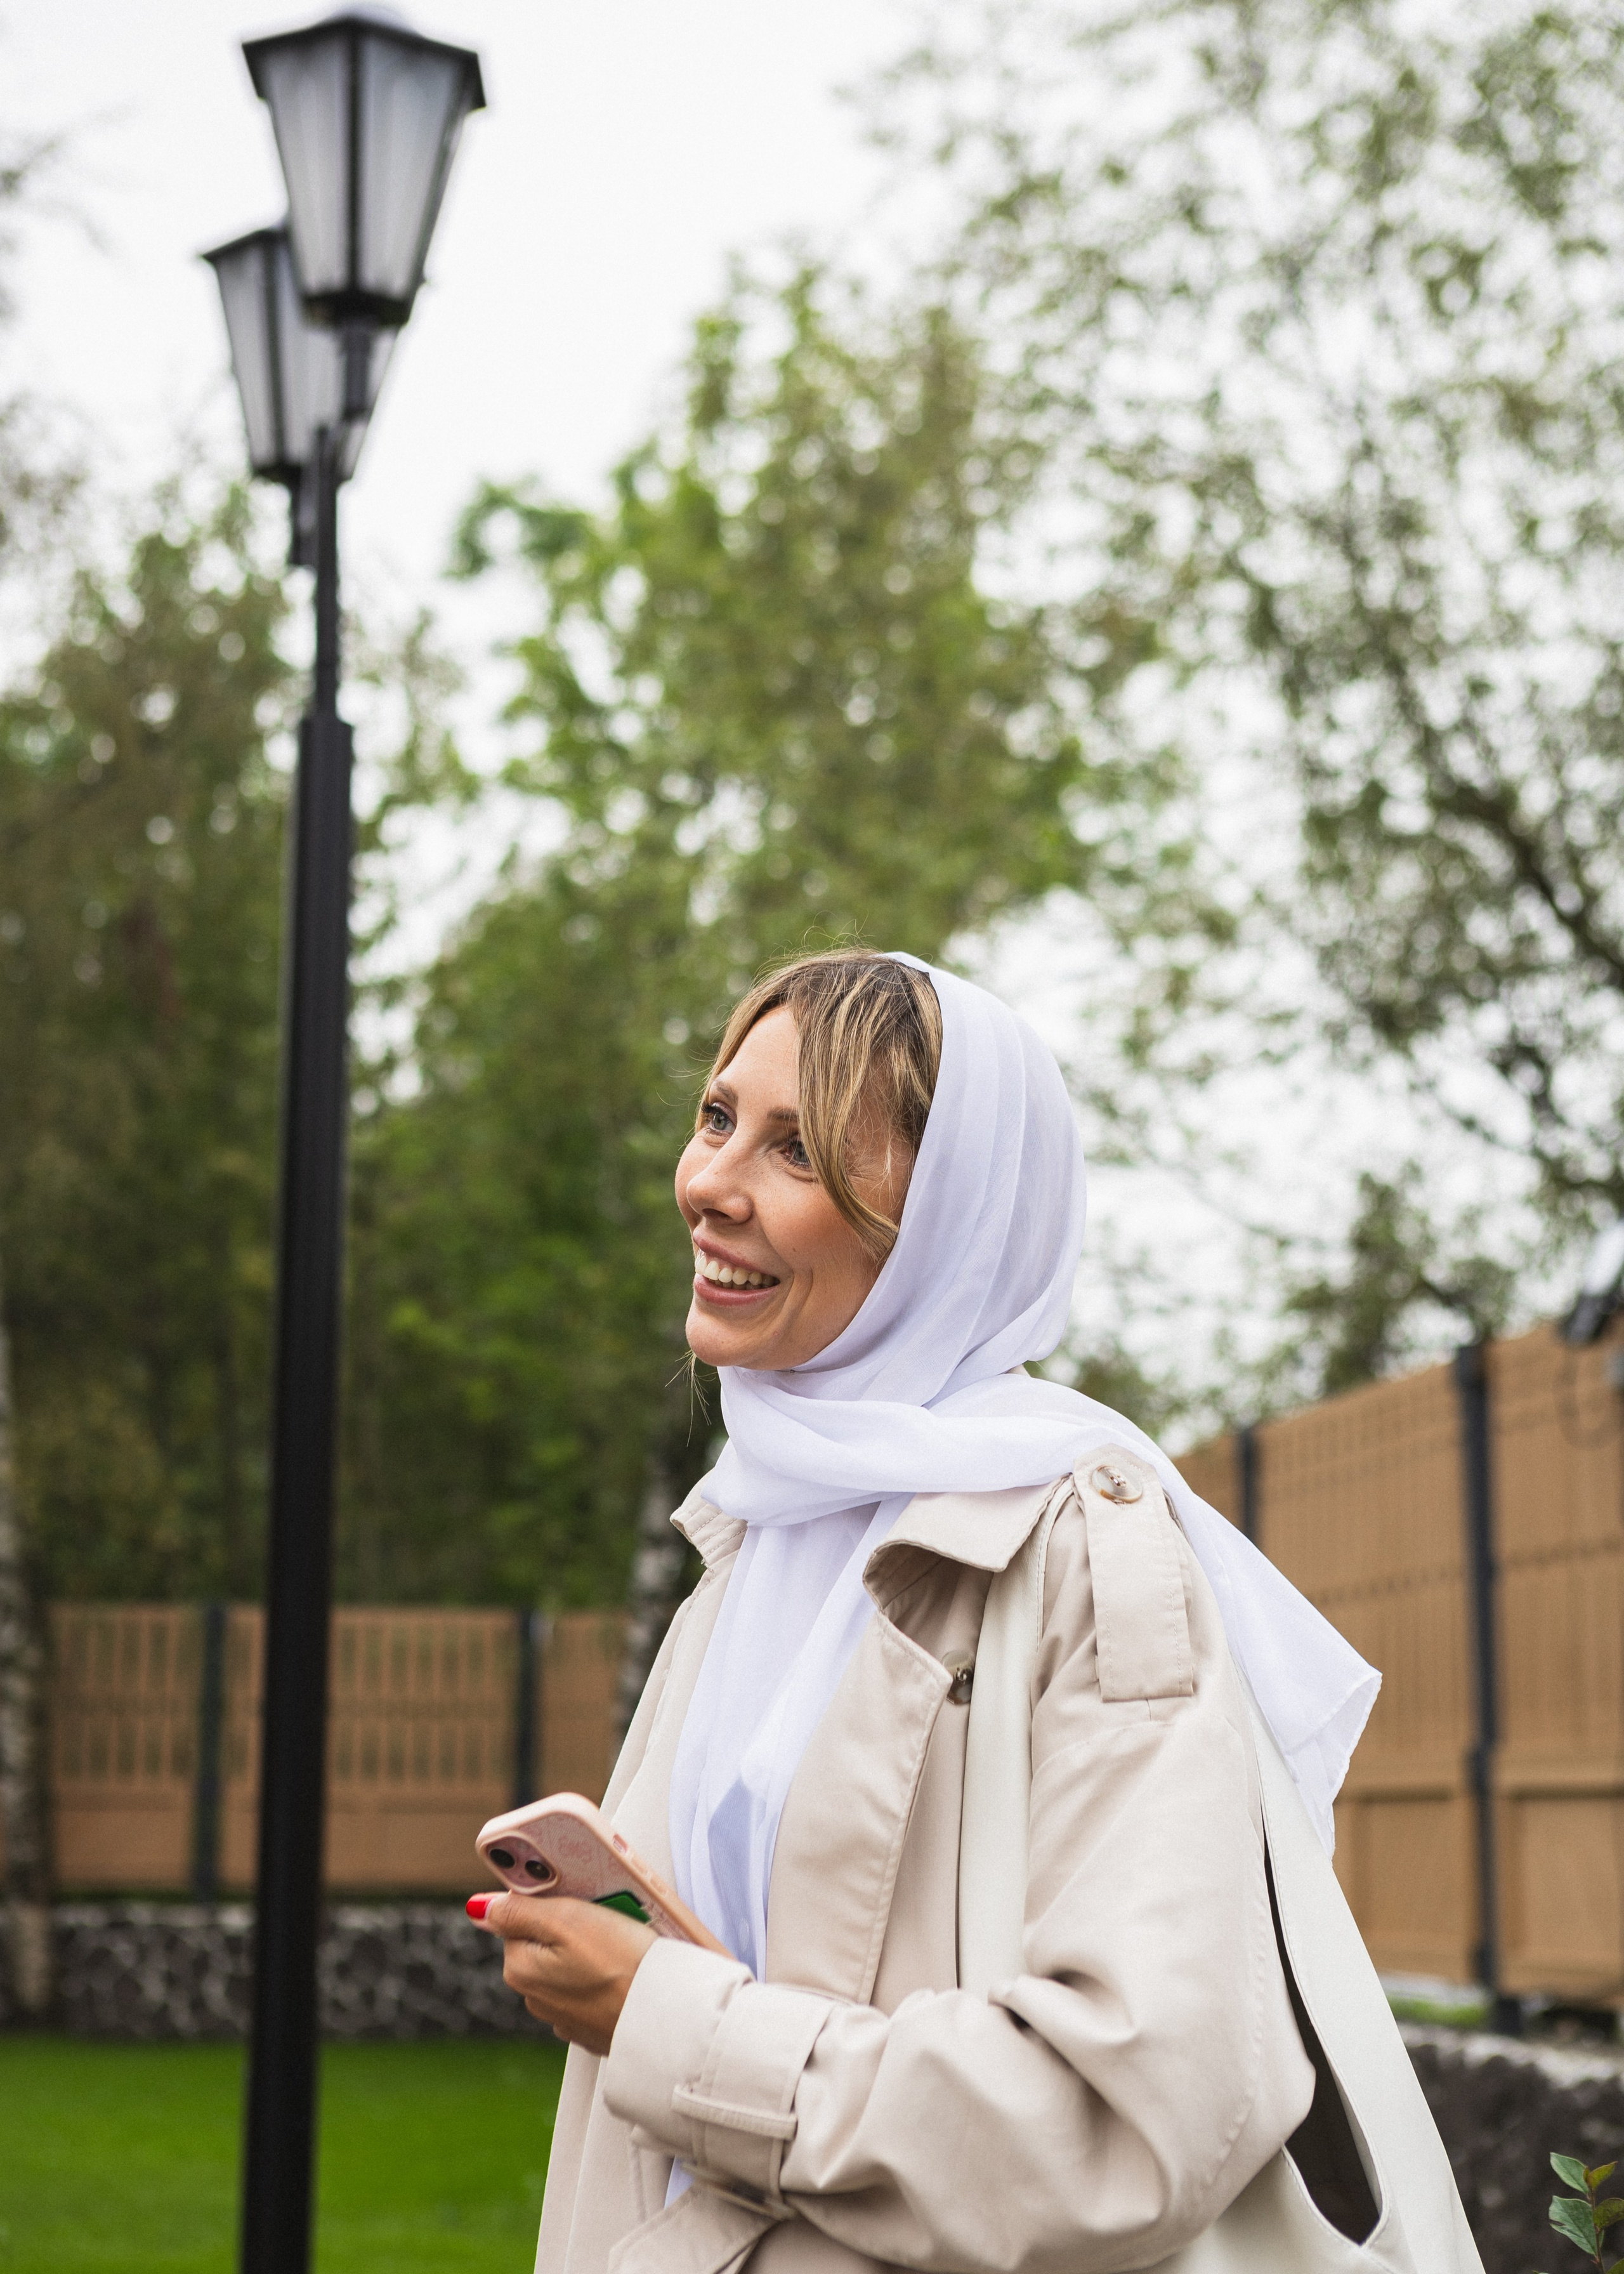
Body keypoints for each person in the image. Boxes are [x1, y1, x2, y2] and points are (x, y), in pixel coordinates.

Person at [471, 947, 1382, 2274]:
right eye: (717, 1118)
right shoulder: (752, 1546)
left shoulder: (1082, 1551)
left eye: (796, 1151)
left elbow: (1130, 2118)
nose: (709, 1184)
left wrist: (660, 2020)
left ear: (944, 1223)